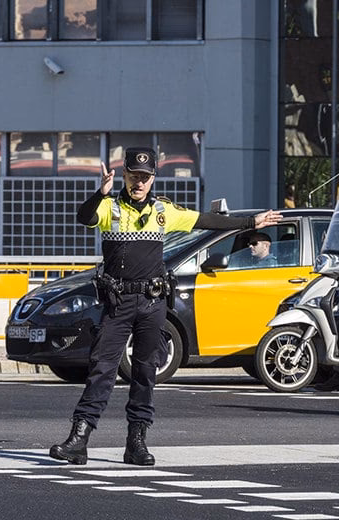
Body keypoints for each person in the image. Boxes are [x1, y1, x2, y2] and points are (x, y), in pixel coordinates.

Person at [49, 147, 282, 466]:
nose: (139, 183)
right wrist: (99, 192)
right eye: (134, 176)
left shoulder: (163, 211)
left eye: (145, 177)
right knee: (102, 368)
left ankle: (137, 442)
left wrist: (250, 221)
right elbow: (84, 217)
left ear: (153, 178)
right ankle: (79, 438)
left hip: (152, 301)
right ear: (125, 176)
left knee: (145, 372)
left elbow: (206, 221)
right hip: (118, 302)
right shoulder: (109, 208)